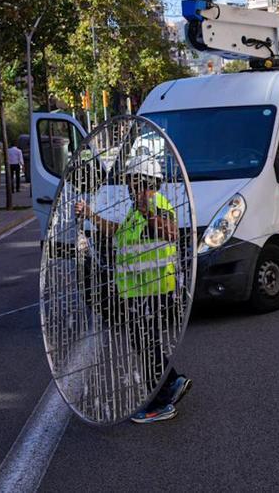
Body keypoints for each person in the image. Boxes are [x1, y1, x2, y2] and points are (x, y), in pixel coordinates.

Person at [75, 156, 191, 424]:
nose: (128, 185)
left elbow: (171, 232)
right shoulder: (137, 208)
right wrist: (92, 216)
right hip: (140, 288)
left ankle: (161, 402)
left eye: (131, 179)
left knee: (145, 341)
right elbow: (119, 232)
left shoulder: (153, 204)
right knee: (144, 340)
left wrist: (149, 215)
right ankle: (172, 382)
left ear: (143, 180)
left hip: (153, 287)